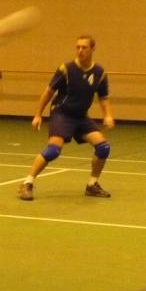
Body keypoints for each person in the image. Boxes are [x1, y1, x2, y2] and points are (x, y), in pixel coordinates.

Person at [19, 35, 114, 200]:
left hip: (81, 117)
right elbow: (49, 92)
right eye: (78, 47)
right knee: (53, 150)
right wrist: (38, 114)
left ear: (92, 49)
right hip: (62, 114)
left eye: (84, 47)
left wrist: (108, 115)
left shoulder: (99, 72)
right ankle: (27, 183)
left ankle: (92, 185)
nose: (80, 51)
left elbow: (103, 97)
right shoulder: (66, 69)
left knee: (103, 147)